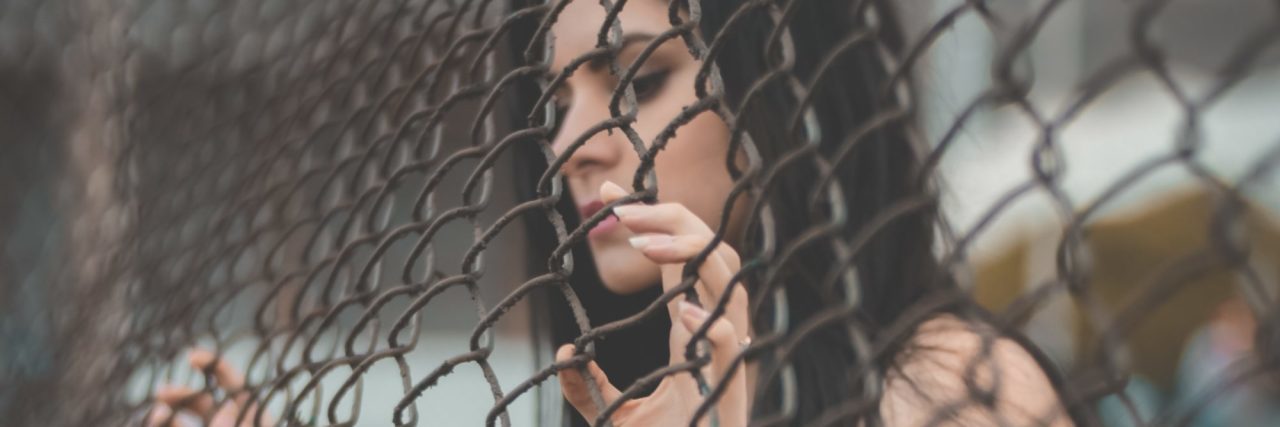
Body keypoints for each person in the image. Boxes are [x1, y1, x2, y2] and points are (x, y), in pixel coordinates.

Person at [149, 0, 1077, 426]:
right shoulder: (627, 390)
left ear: (785, 98)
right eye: (555, 107)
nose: (570, 147)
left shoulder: (957, 389)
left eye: (637, 82)